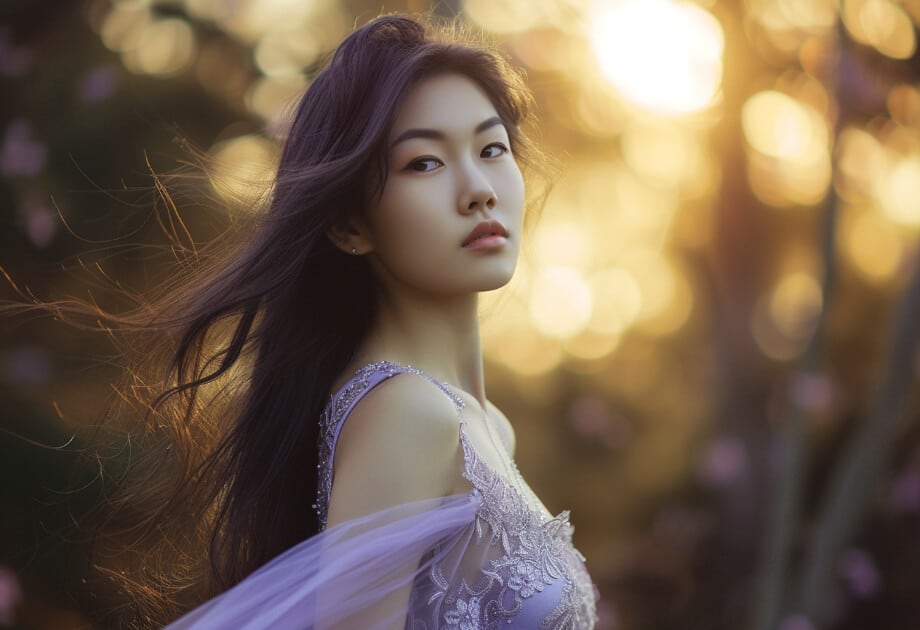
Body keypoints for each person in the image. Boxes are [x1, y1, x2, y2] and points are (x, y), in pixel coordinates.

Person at [18, 13, 596, 629]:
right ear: (349, 225)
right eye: (425, 163)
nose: (479, 188)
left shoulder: (485, 427)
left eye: (491, 149)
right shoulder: (411, 414)